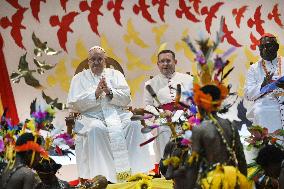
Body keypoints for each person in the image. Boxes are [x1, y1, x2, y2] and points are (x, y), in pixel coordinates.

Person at [67, 46, 152, 183]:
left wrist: (109, 91)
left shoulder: (116, 75)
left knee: (134, 125)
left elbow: (126, 98)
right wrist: (95, 94)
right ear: (88, 62)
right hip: (91, 116)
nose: (96, 62)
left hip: (118, 114)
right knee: (96, 129)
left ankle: (136, 174)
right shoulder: (78, 78)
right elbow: (73, 103)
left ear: (105, 61)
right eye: (92, 59)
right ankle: (103, 178)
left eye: (99, 59)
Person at [185, 84, 249, 189]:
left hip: (211, 182)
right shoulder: (230, 125)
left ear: (201, 104)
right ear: (218, 103)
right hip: (232, 180)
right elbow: (241, 158)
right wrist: (242, 181)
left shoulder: (199, 129)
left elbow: (194, 165)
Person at [143, 49, 193, 162]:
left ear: (175, 62)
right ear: (158, 64)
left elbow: (194, 101)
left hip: (185, 116)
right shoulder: (150, 84)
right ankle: (166, 165)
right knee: (162, 128)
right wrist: (161, 113)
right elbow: (147, 106)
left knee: (188, 129)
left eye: (168, 61)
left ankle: (188, 166)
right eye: (162, 61)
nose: (165, 64)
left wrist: (187, 112)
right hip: (163, 117)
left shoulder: (189, 79)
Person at [245, 33, 284, 132]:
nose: (264, 50)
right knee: (261, 111)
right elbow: (248, 95)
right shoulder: (254, 68)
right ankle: (266, 145)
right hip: (265, 102)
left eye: (268, 46)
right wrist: (263, 86)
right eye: (261, 47)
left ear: (276, 47)